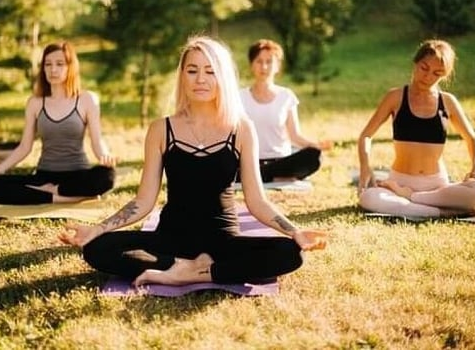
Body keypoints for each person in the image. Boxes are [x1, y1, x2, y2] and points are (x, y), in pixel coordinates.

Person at [59, 35, 327, 287]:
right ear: (182, 76)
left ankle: (200, 272)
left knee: (291, 254)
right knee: (96, 248)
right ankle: (179, 267)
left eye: (210, 71)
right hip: (171, 239)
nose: (201, 79)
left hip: (223, 241)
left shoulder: (241, 129)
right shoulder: (161, 129)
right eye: (192, 70)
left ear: (222, 77)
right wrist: (98, 228)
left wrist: (295, 232)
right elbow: (143, 201)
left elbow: (256, 201)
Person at [357, 39, 475, 218]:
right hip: (400, 179)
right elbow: (366, 135)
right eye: (424, 68)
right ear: (415, 63)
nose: (428, 77)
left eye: (437, 73)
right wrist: (365, 167)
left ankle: (411, 198)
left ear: (444, 75)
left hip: (436, 186)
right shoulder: (396, 97)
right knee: (368, 198)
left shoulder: (447, 101)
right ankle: (441, 211)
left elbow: (472, 138)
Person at [0, 41, 115, 204]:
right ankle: (63, 197)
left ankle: (49, 194)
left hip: (77, 174)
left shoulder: (87, 99)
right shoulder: (35, 102)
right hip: (44, 177)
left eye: (59, 64)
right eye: (48, 64)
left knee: (107, 176)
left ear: (70, 67)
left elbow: (97, 141)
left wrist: (105, 156)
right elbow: (25, 147)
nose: (53, 69)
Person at [239, 39, 331, 183]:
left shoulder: (286, 96)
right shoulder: (239, 97)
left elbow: (295, 136)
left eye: (269, 61)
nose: (264, 66)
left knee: (314, 156)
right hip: (250, 162)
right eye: (259, 61)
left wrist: (316, 146)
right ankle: (264, 175)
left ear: (277, 66)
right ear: (251, 64)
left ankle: (262, 175)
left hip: (281, 162)